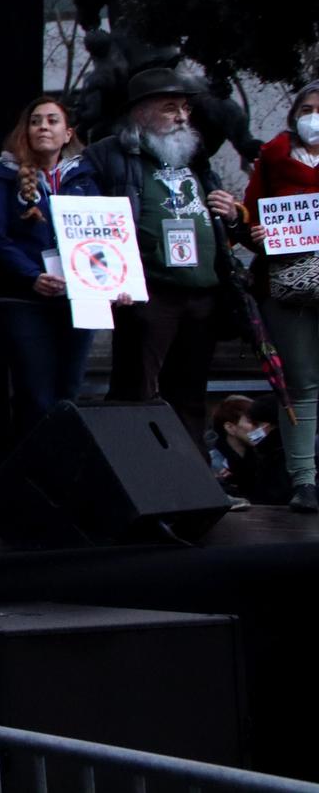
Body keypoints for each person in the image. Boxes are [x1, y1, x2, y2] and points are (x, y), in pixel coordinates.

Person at [86, 69, 244, 447]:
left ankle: (195, 486)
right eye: (170, 108)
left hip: (202, 292)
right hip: (149, 292)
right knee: (136, 391)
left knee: (190, 393)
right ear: (140, 113)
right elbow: (84, 217)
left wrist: (233, 214)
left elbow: (226, 227)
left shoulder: (196, 159)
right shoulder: (110, 155)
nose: (181, 117)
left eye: (185, 108)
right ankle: (141, 484)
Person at [0, 94, 102, 447]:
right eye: (36, 121)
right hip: (25, 299)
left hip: (77, 299)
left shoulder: (83, 177)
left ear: (68, 133)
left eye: (52, 120)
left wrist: (113, 282)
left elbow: (104, 236)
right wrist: (31, 275)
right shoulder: (4, 176)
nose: (43, 127)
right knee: (35, 394)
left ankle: (66, 480)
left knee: (68, 392)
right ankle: (34, 483)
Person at [241, 83, 319, 512]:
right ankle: (303, 481)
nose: (313, 116)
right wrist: (254, 233)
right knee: (301, 384)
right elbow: (248, 214)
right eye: (306, 109)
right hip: (286, 289)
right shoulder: (271, 159)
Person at [207, 394, 291, 507]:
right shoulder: (212, 463)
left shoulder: (262, 457)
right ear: (230, 427)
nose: (259, 429)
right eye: (253, 422)